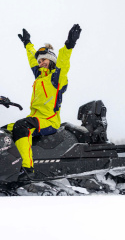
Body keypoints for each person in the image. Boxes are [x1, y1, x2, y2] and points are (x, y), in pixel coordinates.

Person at [8, 24, 82, 179]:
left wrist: (69, 45)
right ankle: (5, 167)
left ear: (51, 61)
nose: (41, 63)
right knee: (3, 131)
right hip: (34, 118)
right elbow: (32, 60)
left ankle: (27, 170)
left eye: (44, 60)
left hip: (49, 120)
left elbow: (63, 62)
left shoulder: (56, 78)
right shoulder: (39, 77)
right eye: (40, 60)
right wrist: (27, 44)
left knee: (22, 126)